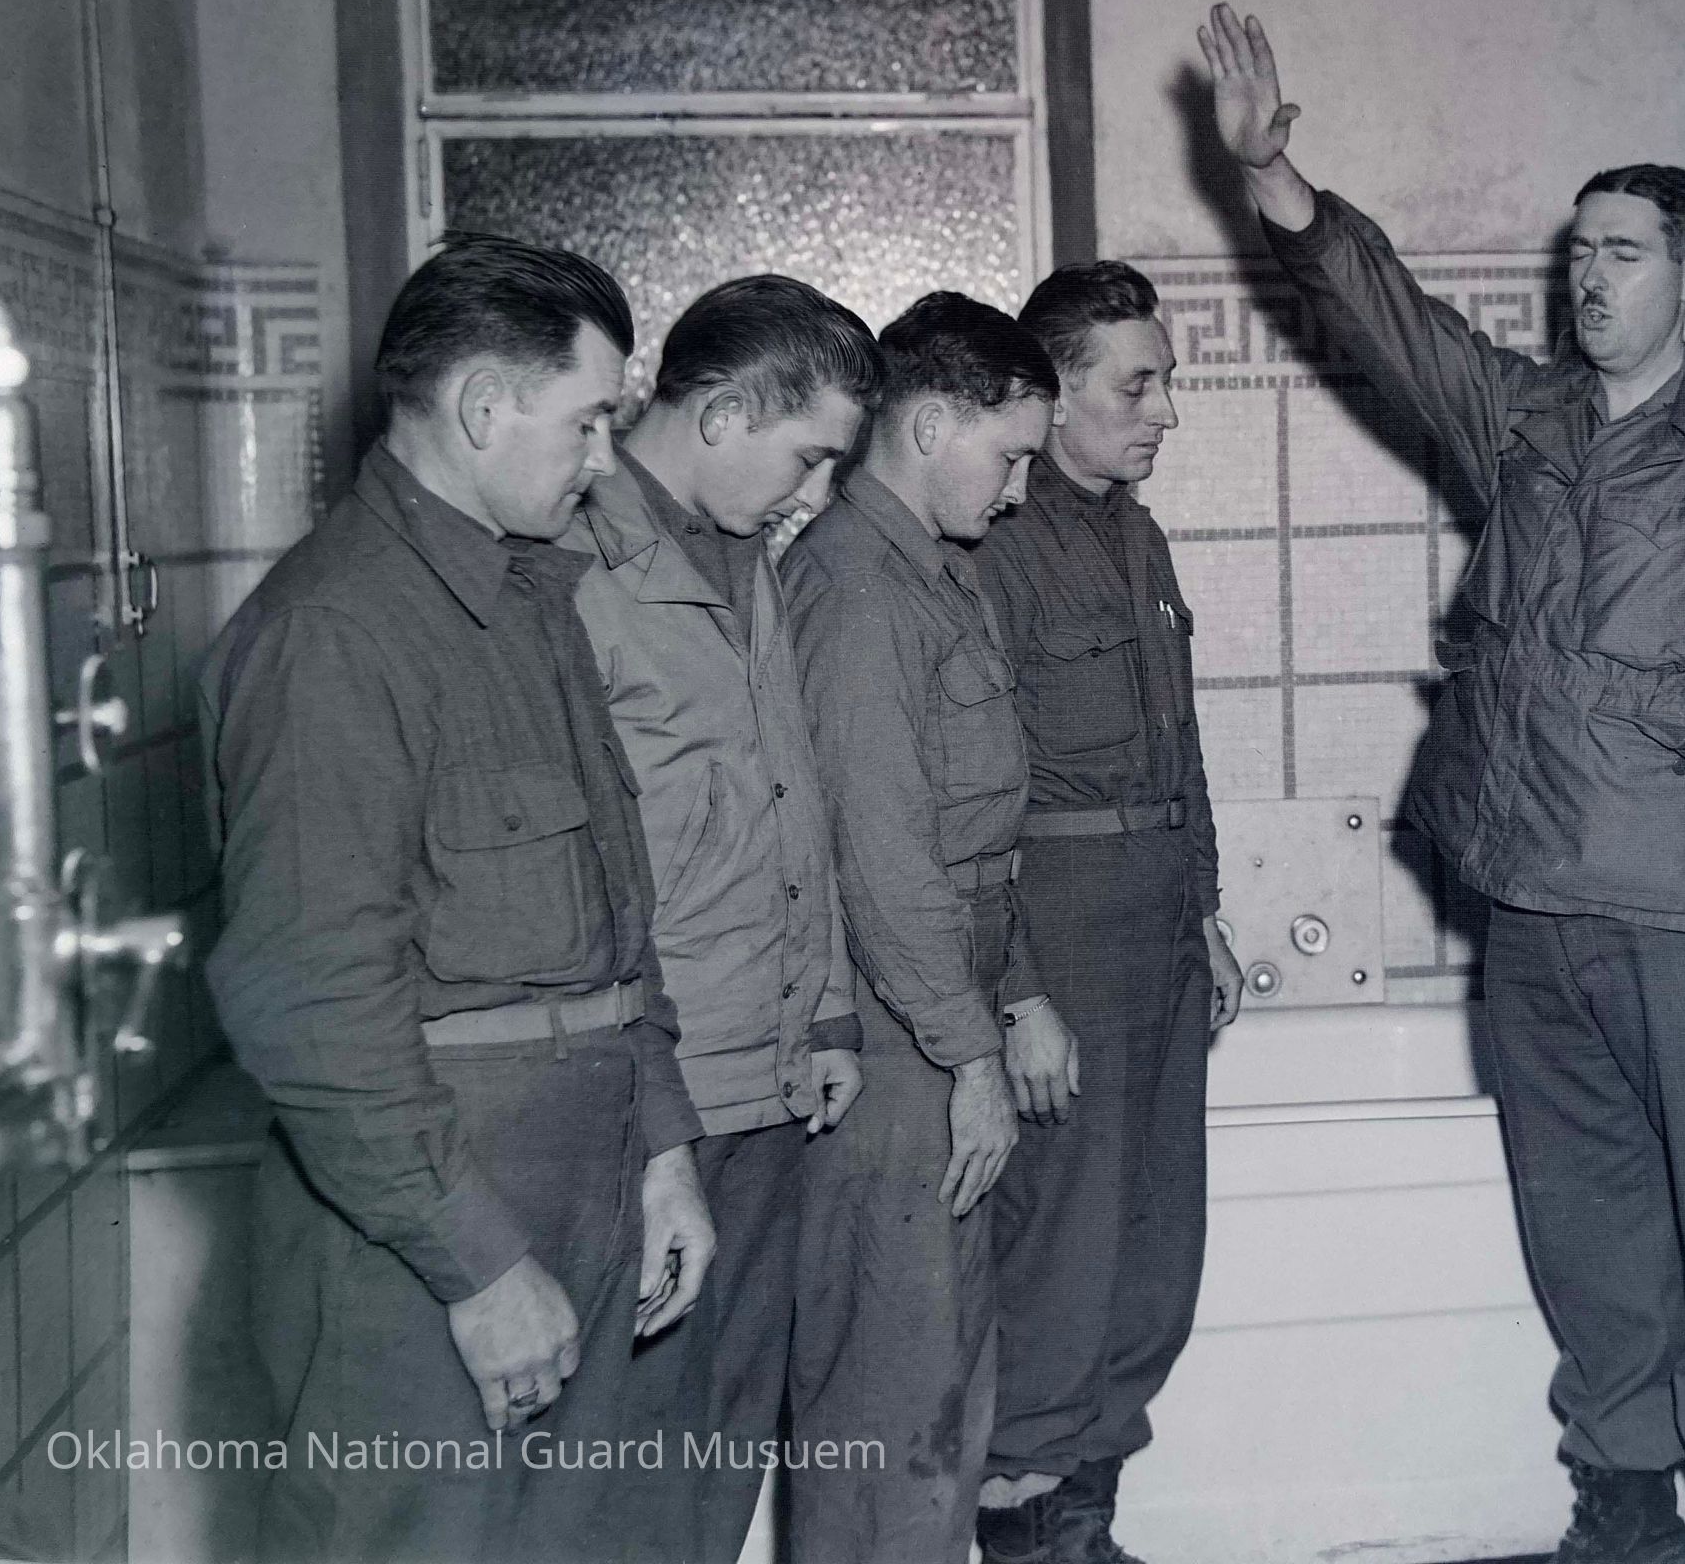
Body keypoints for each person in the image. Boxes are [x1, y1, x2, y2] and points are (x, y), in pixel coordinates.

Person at [1199, 4, 1685, 1564]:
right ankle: (1624, 1504)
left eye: (1625, 253)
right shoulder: (1521, 420)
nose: (1591, 277)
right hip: (1533, 909)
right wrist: (1274, 178)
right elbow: (1389, 316)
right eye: (1581, 252)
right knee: (1585, 1230)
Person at [201, 235, 715, 1564]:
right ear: (485, 407)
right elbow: (312, 1007)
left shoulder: (527, 594)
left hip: (582, 1174)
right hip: (423, 1218)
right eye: (588, 421)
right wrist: (477, 1262)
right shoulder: (335, 634)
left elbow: (616, 922)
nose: (605, 459)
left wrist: (662, 1151)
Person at [560, 275, 881, 1558]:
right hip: (657, 1091)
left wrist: (832, 1008)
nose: (819, 491)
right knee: (630, 1462)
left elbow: (792, 795)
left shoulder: (744, 554)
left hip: (768, 1070)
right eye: (810, 456)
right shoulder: (571, 561)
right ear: (724, 413)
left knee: (728, 1430)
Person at [970, 263, 1244, 1564]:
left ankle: (1087, 1517)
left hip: (1160, 927)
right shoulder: (994, 544)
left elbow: (1181, 746)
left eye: (1166, 383)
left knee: (1154, 1248)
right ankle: (1023, 1520)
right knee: (1061, 1253)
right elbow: (971, 803)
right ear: (1056, 391)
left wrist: (1208, 912)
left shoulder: (1140, 536)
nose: (1164, 412)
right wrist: (1016, 985)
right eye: (1139, 388)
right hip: (1063, 927)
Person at [781, 291, 1060, 1562]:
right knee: (891, 1396)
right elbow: (883, 859)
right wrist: (969, 1053)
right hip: (898, 1045)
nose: (1019, 492)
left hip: (936, 1018)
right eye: (1010, 458)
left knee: (941, 1379)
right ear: (932, 424)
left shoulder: (935, 576)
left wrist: (1012, 996)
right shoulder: (854, 592)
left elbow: (978, 837)